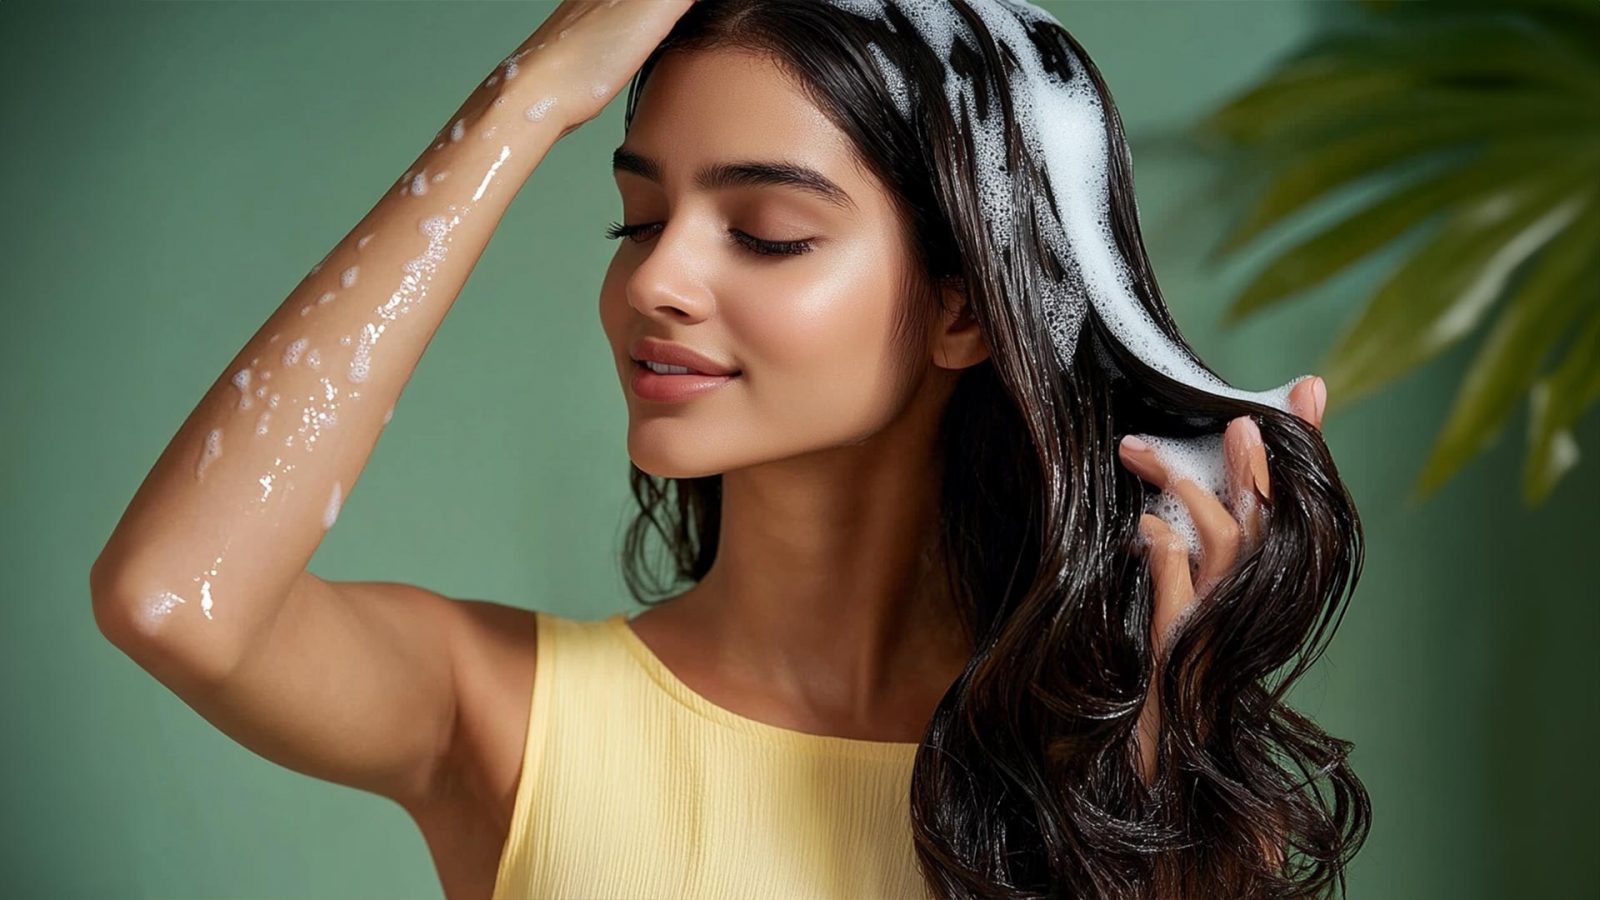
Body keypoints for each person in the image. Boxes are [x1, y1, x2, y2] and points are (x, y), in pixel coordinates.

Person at [90, 1, 1369, 897]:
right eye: (635, 221)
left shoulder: (1110, 771)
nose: (657, 282)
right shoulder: (499, 718)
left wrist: (1156, 780)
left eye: (762, 231)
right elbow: (172, 601)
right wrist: (533, 93)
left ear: (963, 307)